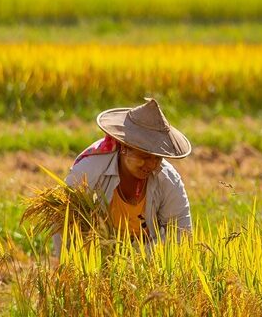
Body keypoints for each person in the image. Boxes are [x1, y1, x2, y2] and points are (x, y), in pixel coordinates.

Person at [61, 98, 193, 249]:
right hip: (96, 256)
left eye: (157, 158)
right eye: (144, 156)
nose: (152, 165)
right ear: (124, 147)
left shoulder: (168, 180)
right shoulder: (88, 172)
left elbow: (181, 234)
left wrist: (139, 261)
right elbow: (64, 223)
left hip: (147, 259)